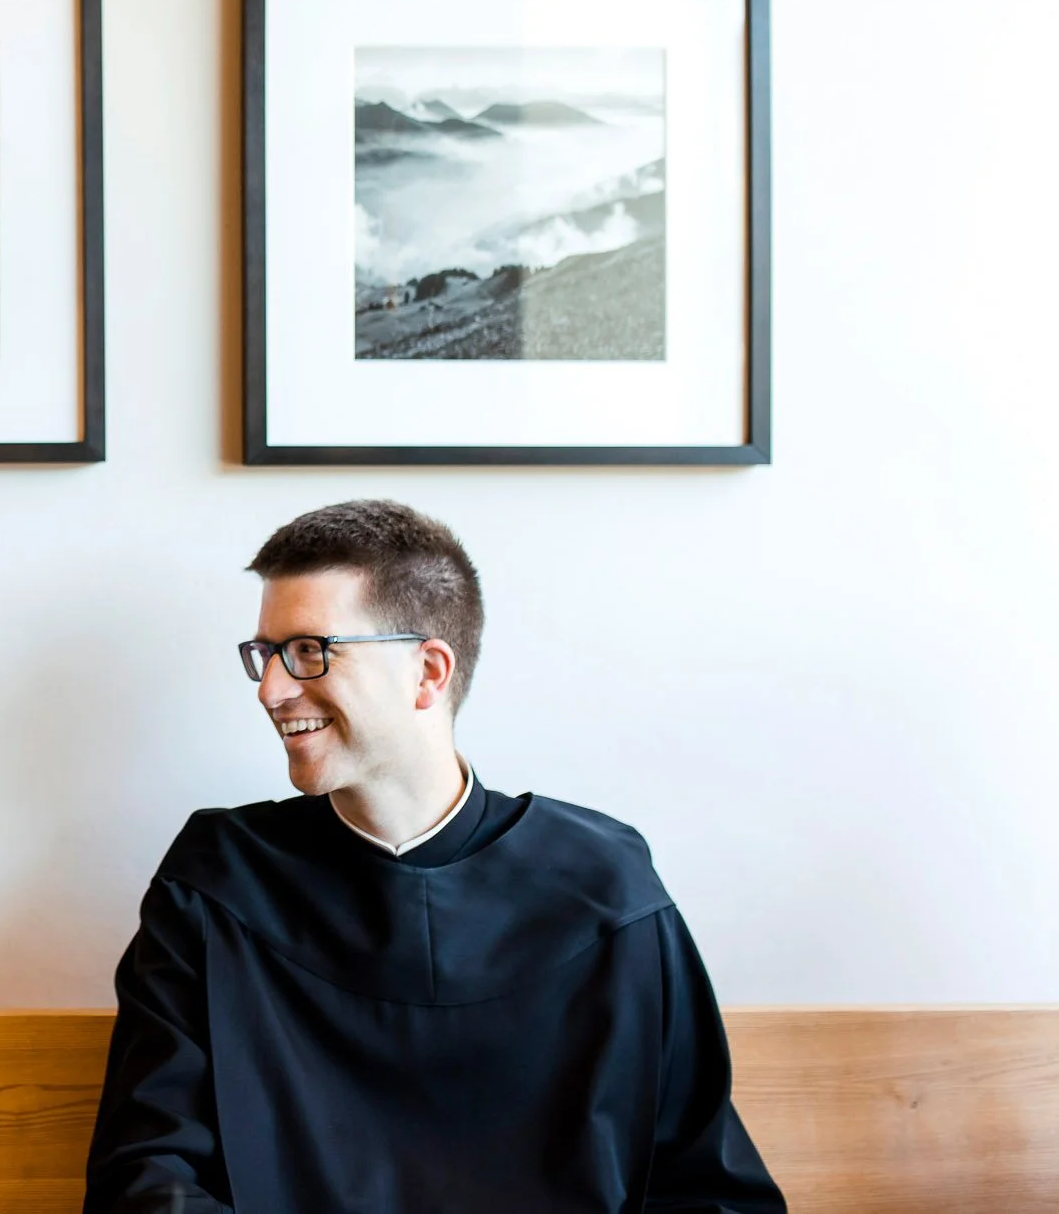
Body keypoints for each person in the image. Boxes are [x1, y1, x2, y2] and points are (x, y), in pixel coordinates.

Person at [84, 500, 783, 1213]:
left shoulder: (607, 889)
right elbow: (146, 1180)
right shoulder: (217, 881)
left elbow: (707, 1188)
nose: (270, 689)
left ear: (428, 672)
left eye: (308, 651)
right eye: (264, 654)